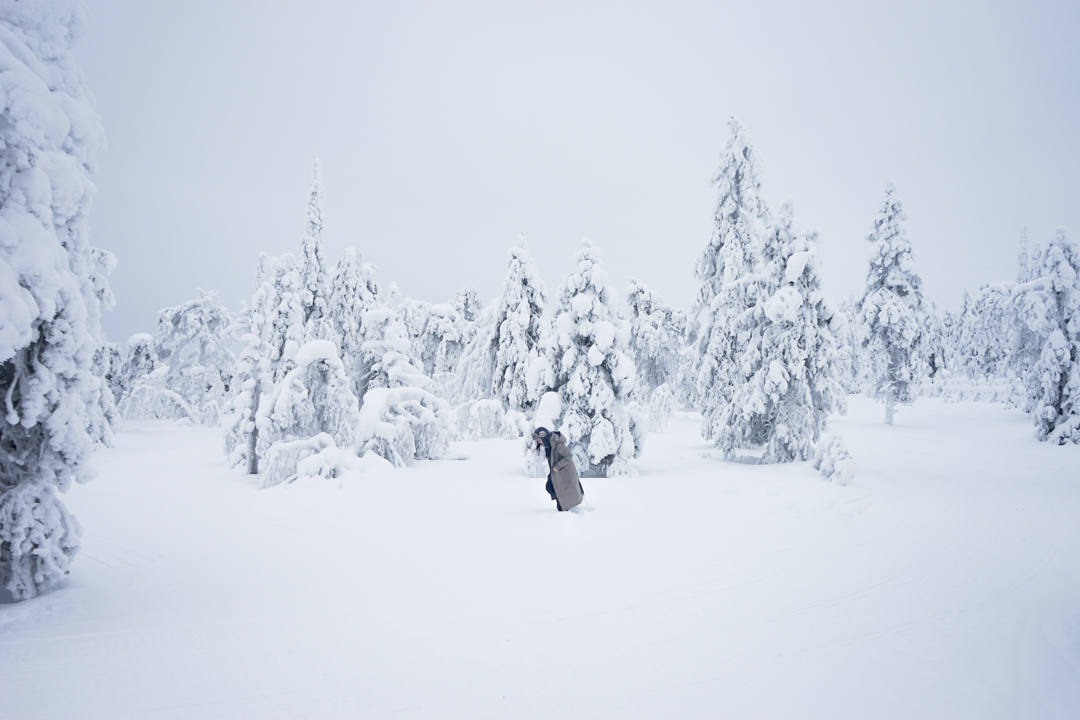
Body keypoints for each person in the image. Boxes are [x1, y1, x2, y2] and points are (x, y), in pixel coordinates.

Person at [532, 427, 584, 511]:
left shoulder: (558, 444)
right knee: (550, 487)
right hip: (557, 472)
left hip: (564, 471)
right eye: (537, 440)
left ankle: (564, 508)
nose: (538, 442)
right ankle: (563, 504)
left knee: (559, 488)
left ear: (543, 437)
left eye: (539, 439)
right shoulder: (548, 445)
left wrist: (557, 466)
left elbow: (568, 456)